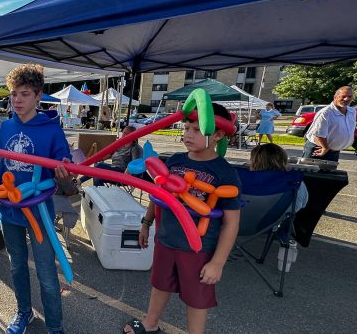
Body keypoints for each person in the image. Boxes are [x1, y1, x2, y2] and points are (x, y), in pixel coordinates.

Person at [0, 64, 76, 334]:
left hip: (39, 213)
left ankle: (55, 327)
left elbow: (65, 178)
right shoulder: (6, 127)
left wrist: (63, 173)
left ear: (38, 95)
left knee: (47, 275)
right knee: (17, 266)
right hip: (9, 208)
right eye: (14, 94)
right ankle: (24, 313)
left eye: (24, 94)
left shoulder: (51, 130)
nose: (17, 100)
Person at [124, 103, 241, 334]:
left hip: (199, 248)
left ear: (218, 134)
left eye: (197, 130)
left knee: (196, 298)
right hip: (167, 239)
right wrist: (146, 224)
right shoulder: (175, 160)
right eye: (186, 128)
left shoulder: (225, 173)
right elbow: (159, 195)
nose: (188, 134)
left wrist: (217, 263)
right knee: (160, 284)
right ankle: (150, 324)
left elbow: (231, 222)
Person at [303, 86, 356, 161]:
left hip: (333, 151)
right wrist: (325, 148)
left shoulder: (352, 112)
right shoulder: (326, 113)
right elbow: (319, 134)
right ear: (335, 97)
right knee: (312, 172)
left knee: (330, 172)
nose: (346, 99)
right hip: (319, 149)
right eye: (343, 96)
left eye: (349, 96)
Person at [250, 143, 308, 211]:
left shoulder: (246, 181)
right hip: (283, 219)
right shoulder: (296, 182)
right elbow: (303, 204)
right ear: (284, 160)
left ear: (254, 163)